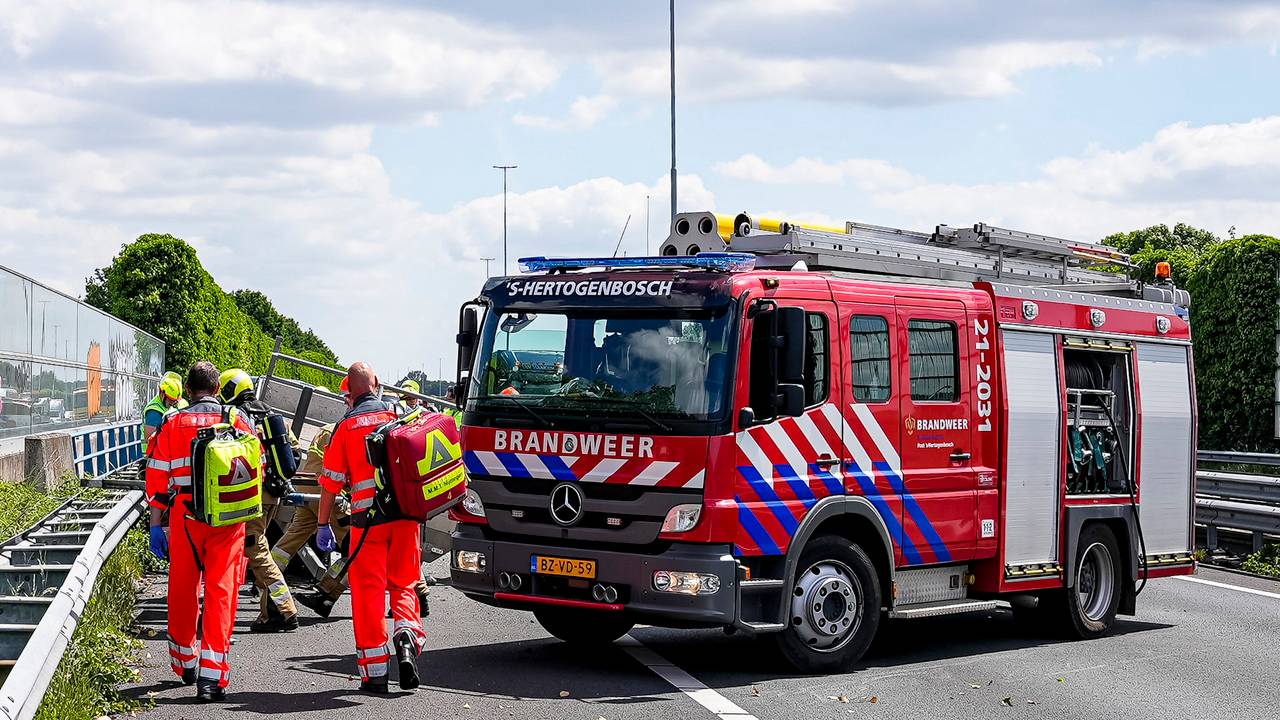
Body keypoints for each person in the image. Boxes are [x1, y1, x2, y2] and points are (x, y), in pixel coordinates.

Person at [145, 361, 258, 703]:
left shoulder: (171, 422)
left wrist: (155, 524)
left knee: (182, 587)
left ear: (189, 390)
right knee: (222, 591)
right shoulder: (235, 419)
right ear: (216, 388)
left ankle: (185, 663)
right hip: (226, 519)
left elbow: (156, 478)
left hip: (184, 517)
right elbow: (257, 465)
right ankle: (212, 677)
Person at [315, 362, 425, 693]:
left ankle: (375, 674)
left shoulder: (345, 428)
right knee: (404, 584)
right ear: (376, 384)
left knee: (368, 595)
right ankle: (407, 637)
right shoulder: (399, 418)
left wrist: (322, 523)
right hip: (405, 519)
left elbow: (331, 484)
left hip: (368, 525)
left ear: (350, 392)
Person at [217, 369, 299, 633]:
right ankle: (269, 615)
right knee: (261, 545)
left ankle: (286, 610)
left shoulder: (237, 417)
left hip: (251, 494)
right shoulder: (274, 416)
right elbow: (294, 453)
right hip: (274, 494)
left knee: (255, 549)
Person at [143, 371, 188, 453]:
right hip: (154, 455)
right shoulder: (154, 410)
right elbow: (150, 439)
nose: (172, 403)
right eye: (170, 400)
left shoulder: (181, 404)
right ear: (162, 392)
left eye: (175, 401)